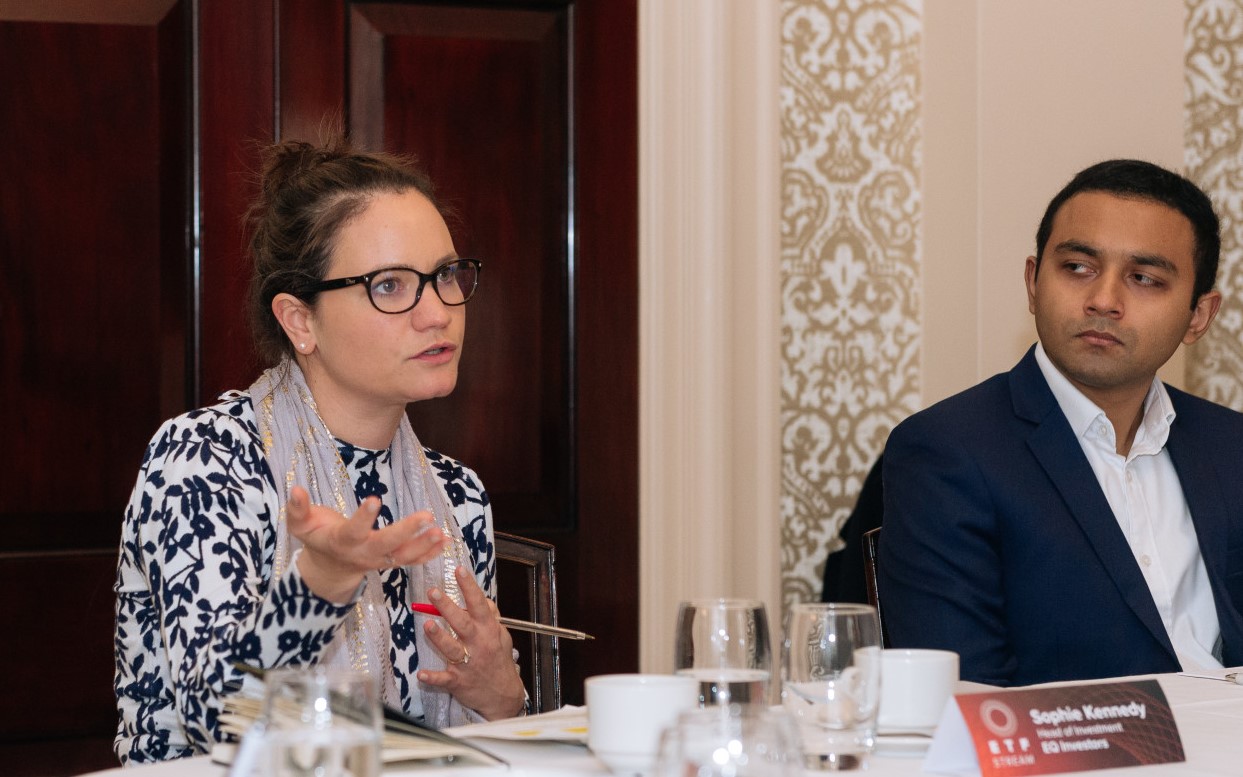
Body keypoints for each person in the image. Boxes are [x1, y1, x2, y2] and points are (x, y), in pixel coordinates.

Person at [113, 137, 527, 764]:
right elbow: (221, 724)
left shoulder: (457, 496)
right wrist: (321, 582)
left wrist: (504, 700)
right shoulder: (204, 463)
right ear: (299, 321)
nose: (438, 312)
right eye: (390, 286)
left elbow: (489, 751)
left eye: (444, 275)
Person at [878, 159, 1243, 687]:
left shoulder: (1230, 446)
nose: (1103, 300)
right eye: (1077, 267)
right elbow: (968, 698)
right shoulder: (947, 451)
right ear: (1033, 282)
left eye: (1144, 278)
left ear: (1198, 316)